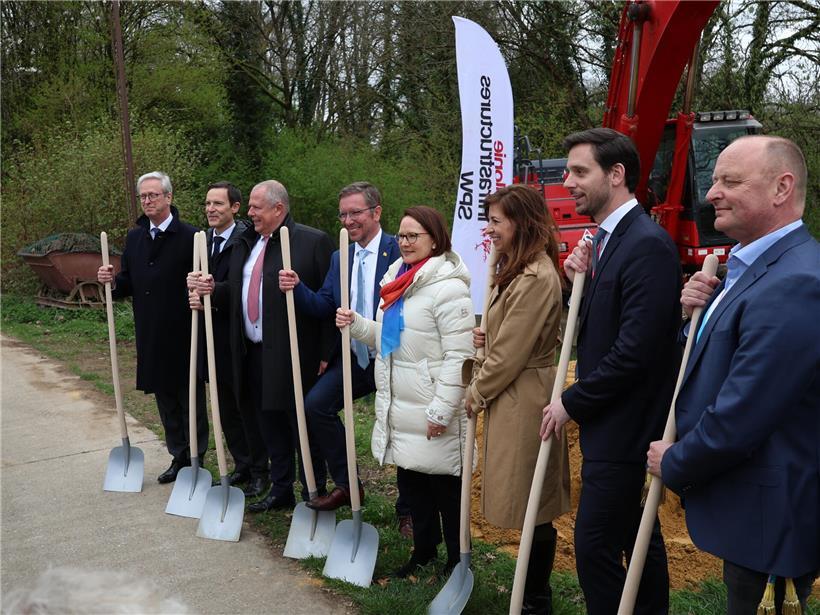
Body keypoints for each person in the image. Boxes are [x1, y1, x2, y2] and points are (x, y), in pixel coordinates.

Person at [647, 135, 819, 614]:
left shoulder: (796, 281)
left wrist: (677, 460)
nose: (710, 193)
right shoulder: (744, 269)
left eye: (730, 180)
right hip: (750, 504)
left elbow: (746, 409)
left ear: (781, 188)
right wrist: (692, 320)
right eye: (715, 179)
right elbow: (713, 362)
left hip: (772, 517)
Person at [540, 128, 681, 614]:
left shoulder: (646, 244)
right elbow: (599, 322)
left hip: (628, 427)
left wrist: (570, 401)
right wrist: (580, 275)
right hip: (613, 426)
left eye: (580, 171)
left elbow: (634, 351)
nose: (568, 182)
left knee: (596, 545)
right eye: (567, 171)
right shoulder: (608, 241)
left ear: (616, 175)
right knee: (639, 539)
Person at [336, 206, 474, 577]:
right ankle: (424, 551)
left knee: (446, 490)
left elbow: (459, 356)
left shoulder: (448, 287)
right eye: (402, 235)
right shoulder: (397, 279)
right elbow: (392, 340)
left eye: (414, 236)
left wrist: (442, 411)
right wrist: (358, 325)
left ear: (435, 239)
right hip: (403, 402)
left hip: (432, 405)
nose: (406, 242)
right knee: (413, 485)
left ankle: (457, 561)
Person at [190, 180, 334, 512]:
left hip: (295, 353)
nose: (250, 213)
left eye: (256, 207)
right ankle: (280, 488)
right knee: (268, 422)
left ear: (278, 209)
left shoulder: (312, 242)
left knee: (300, 423)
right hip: (252, 351)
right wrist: (214, 288)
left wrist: (327, 353)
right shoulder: (249, 242)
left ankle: (315, 488)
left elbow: (329, 301)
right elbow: (241, 291)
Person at [466, 185, 571, 615]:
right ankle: (528, 591)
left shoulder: (536, 276)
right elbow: (503, 335)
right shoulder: (512, 267)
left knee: (534, 499)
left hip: (525, 396)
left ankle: (534, 599)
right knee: (529, 496)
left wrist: (476, 391)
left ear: (521, 224)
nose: (489, 229)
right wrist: (486, 333)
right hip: (513, 391)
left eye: (496, 221)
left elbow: (511, 353)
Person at [277, 182, 407, 521]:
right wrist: (297, 286)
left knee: (401, 427)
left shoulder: (398, 251)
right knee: (315, 406)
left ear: (376, 212)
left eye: (356, 213)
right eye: (343, 214)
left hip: (392, 357)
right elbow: (324, 304)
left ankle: (408, 510)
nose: (348, 220)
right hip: (353, 358)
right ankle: (349, 485)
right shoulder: (341, 256)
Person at [97, 171, 208, 484]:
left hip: (184, 332)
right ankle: (178, 455)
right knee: (164, 398)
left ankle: (198, 459)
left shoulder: (191, 237)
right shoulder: (136, 236)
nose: (147, 201)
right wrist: (111, 282)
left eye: (153, 195)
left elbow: (204, 283)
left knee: (189, 399)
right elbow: (129, 281)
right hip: (150, 331)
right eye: (143, 196)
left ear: (169, 198)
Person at [193, 182, 268, 496]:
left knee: (245, 406)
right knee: (223, 405)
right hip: (210, 334)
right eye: (208, 203)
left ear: (235, 208)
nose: (211, 209)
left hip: (238, 335)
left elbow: (241, 285)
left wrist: (214, 291)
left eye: (218, 204)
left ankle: (260, 470)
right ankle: (241, 464)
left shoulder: (246, 240)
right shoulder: (202, 240)